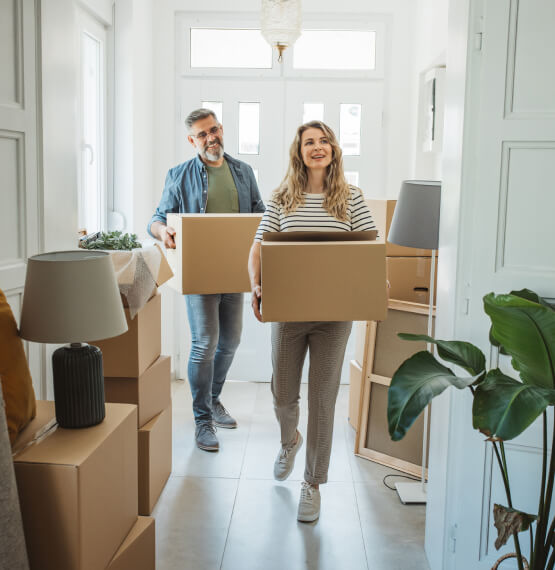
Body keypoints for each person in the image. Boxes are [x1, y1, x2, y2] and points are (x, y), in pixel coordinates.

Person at [247, 121, 376, 522]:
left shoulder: (351, 198)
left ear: (334, 150)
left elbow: (370, 248)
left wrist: (376, 281)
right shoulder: (282, 197)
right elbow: (258, 247)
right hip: (288, 314)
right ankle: (290, 441)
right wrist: (255, 285)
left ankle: (312, 483)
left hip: (334, 317)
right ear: (299, 151)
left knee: (323, 400)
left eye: (324, 141)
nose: (317, 147)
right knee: (284, 394)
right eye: (309, 142)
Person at [149, 108, 265, 452]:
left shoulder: (242, 172)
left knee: (230, 340)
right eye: (202, 134)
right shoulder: (179, 174)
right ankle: (202, 420)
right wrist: (163, 230)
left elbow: (260, 212)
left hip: (235, 271)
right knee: (204, 343)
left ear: (222, 129)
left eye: (214, 130)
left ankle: (213, 399)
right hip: (198, 273)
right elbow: (156, 218)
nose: (211, 137)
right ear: (192, 140)